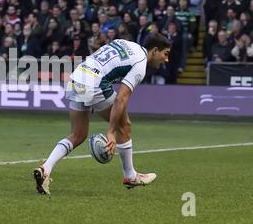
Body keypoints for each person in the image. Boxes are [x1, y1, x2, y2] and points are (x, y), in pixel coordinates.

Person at [34, 35, 171, 195]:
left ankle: (45, 169)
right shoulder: (140, 63)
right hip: (94, 83)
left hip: (77, 76)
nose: (166, 59)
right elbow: (121, 98)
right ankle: (130, 176)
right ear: (155, 51)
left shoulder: (124, 43)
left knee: (78, 135)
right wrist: (111, 132)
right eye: (166, 54)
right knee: (124, 125)